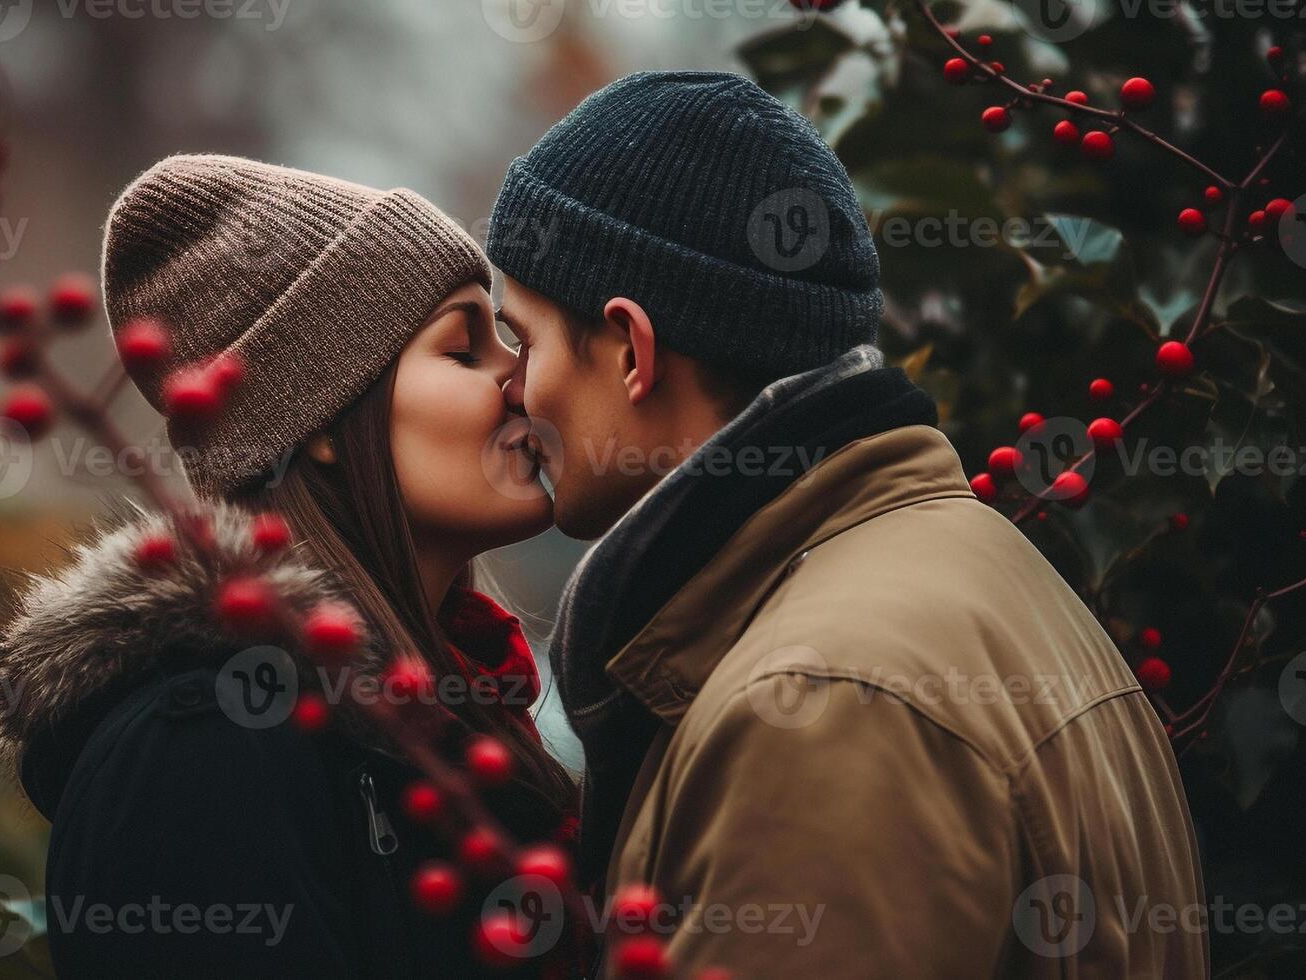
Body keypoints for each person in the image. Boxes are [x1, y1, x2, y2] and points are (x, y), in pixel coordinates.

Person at [485, 71, 1206, 977]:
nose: (509, 388)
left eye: (525, 339)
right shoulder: (981, 568)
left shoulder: (818, 705)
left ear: (631, 351)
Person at [0, 155, 582, 978]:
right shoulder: (201, 752)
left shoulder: (454, 718)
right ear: (322, 419)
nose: (521, 376)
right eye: (465, 349)